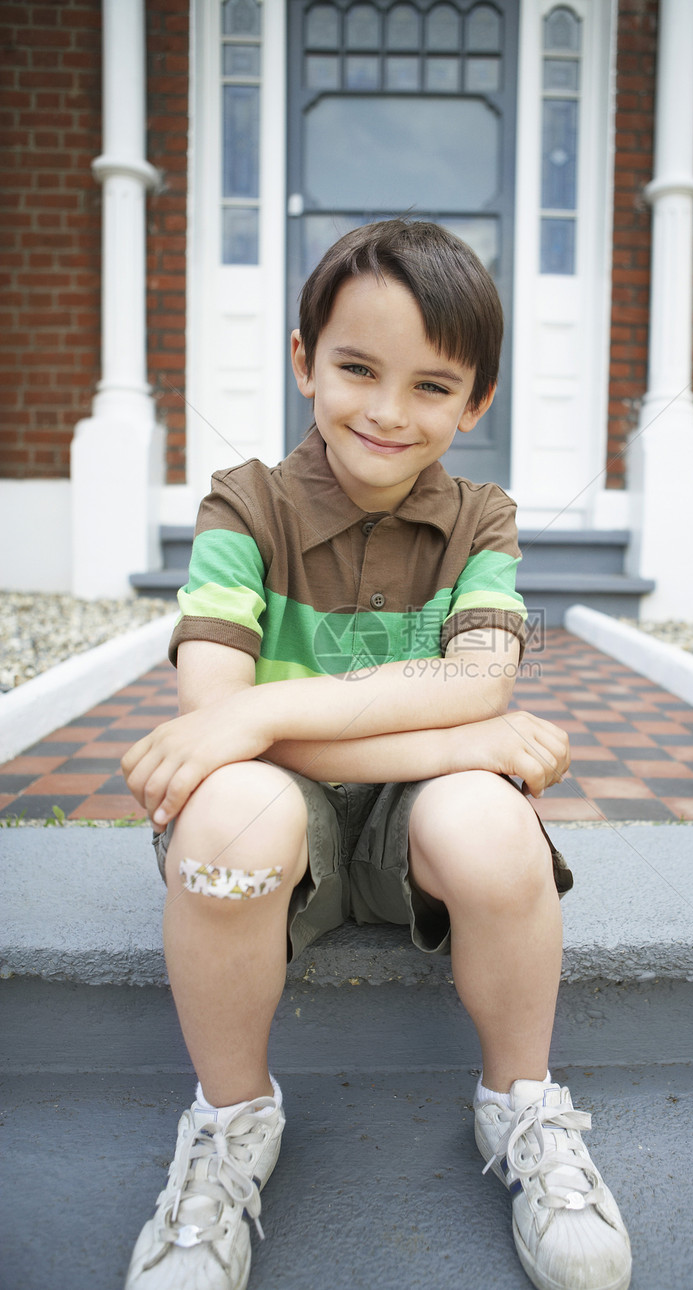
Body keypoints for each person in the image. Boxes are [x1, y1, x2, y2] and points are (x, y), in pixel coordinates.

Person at [121, 219, 632, 1290]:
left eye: (432, 386)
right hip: (277, 814)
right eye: (356, 368)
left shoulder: (481, 522)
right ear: (302, 359)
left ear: (475, 402)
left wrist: (266, 713)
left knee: (493, 828)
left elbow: (477, 675)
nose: (388, 414)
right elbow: (216, 722)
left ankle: (519, 1103)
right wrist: (457, 734)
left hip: (420, 822)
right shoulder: (241, 506)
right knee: (227, 818)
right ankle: (230, 1123)